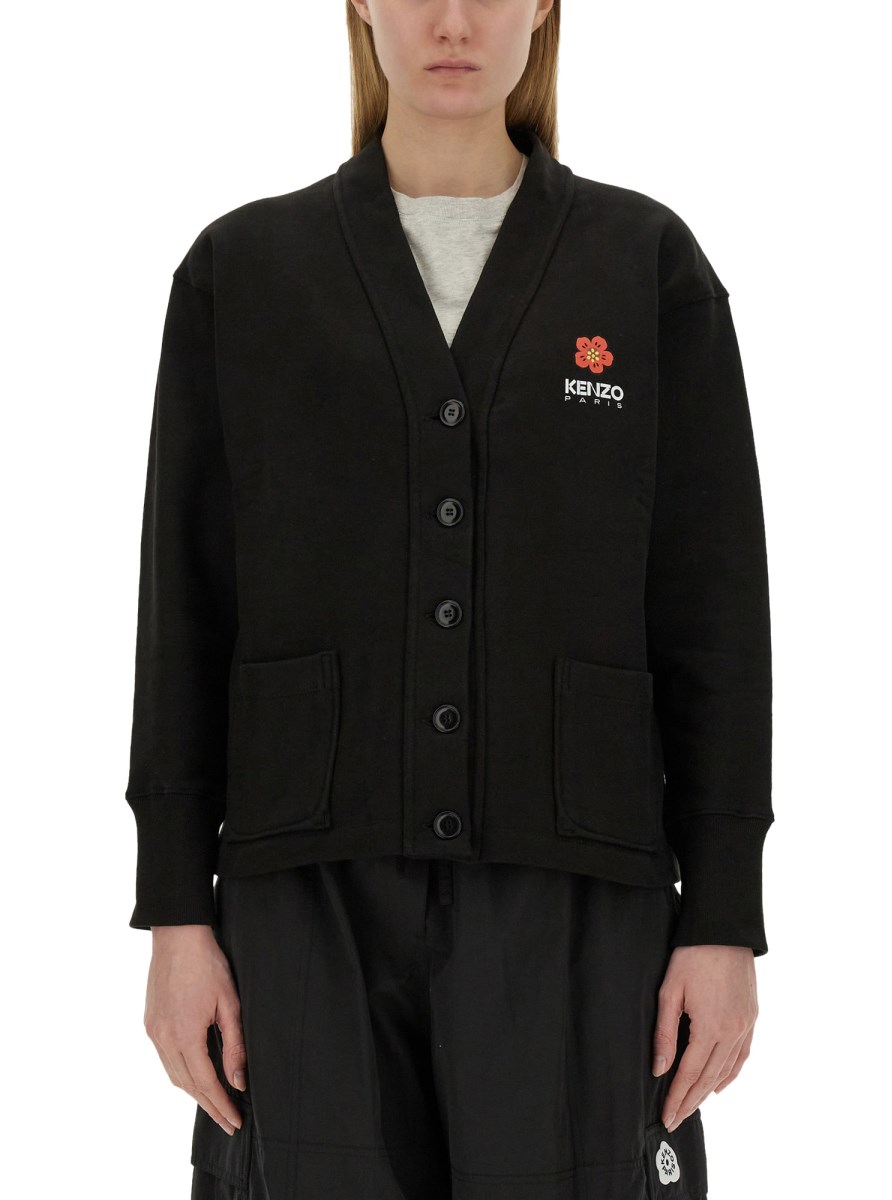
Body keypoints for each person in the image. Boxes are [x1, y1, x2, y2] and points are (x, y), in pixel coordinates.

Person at [125, 2, 774, 1197]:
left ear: (544, 6)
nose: (454, 19)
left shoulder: (645, 265)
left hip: (578, 892)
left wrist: (724, 916)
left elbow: (714, 611)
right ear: (361, 4)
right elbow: (185, 608)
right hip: (303, 895)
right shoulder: (243, 271)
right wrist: (175, 911)